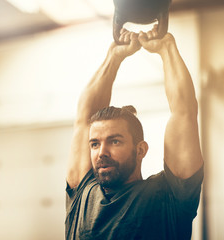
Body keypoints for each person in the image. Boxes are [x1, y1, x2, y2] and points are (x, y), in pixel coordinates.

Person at [65, 26, 204, 240]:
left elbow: (184, 112)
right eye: (95, 144)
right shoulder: (82, 194)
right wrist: (114, 56)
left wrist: (166, 47)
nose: (102, 152)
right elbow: (84, 117)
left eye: (115, 141)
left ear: (140, 150)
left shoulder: (169, 196)